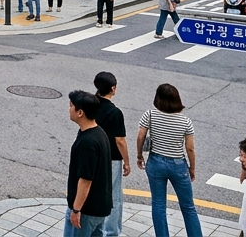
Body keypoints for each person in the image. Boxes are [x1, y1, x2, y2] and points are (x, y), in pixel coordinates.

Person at [136, 83, 202, 237]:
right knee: (188, 207)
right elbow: (190, 148)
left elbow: (140, 136)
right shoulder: (185, 121)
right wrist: (192, 168)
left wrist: (139, 155)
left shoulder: (150, 115)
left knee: (158, 204)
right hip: (178, 165)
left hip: (155, 162)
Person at [65, 91, 112, 237]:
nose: (69, 109)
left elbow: (85, 180)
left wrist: (76, 210)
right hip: (99, 208)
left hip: (86, 210)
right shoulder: (99, 133)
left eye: (71, 106)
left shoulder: (88, 143)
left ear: (80, 112)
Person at [93, 73, 129, 237]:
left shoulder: (91, 105)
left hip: (93, 155)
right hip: (111, 158)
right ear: (113, 88)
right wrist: (127, 162)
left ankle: (94, 227)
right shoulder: (114, 112)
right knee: (113, 195)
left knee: (93, 192)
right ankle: (111, 231)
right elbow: (120, 140)